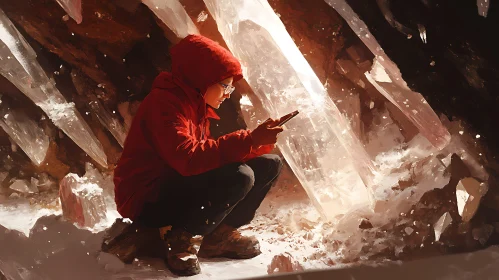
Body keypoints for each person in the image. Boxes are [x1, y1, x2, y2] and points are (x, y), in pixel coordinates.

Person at [113, 34, 284, 276]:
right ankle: (181, 238)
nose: (228, 93)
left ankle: (218, 234)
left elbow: (204, 154)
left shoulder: (193, 103)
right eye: (225, 86)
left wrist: (255, 145)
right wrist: (249, 139)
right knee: (240, 176)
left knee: (269, 164)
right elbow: (189, 159)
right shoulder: (164, 104)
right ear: (203, 78)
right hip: (147, 197)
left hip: (174, 183)